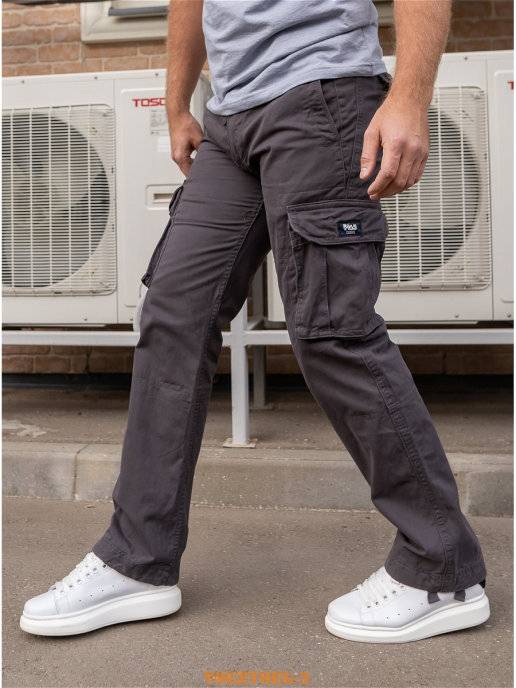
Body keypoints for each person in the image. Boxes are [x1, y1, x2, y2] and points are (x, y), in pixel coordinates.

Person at [21, 0, 489, 643]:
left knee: (331, 328)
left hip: (322, 91)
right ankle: (138, 558)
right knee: (173, 315)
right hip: (230, 118)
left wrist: (409, 97)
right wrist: (177, 103)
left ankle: (443, 566)